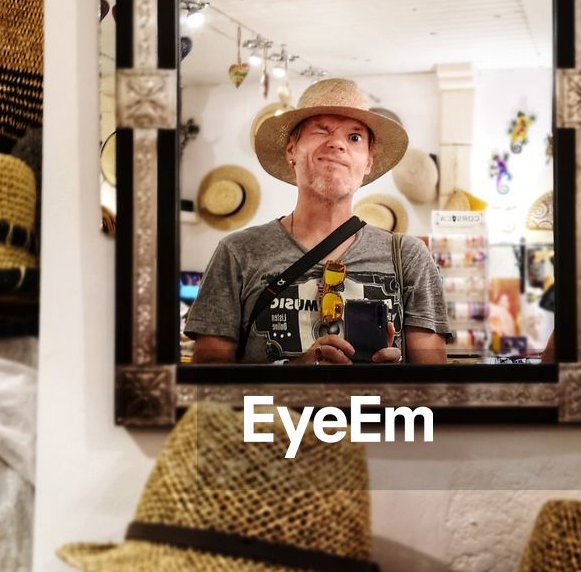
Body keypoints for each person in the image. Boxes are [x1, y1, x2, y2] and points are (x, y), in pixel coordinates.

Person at [186, 79, 450, 364]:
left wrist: (391, 380)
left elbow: (435, 388)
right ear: (291, 150)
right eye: (321, 130)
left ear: (369, 161)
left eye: (355, 137)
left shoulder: (409, 258)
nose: (337, 143)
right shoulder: (237, 253)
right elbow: (207, 388)